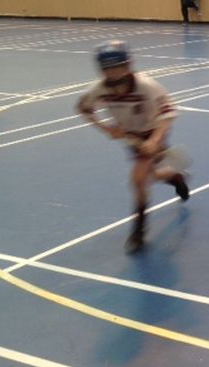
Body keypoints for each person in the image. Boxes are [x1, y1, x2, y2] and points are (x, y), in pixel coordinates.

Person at [77, 41, 189, 253]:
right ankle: (176, 177)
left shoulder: (146, 86)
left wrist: (155, 140)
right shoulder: (99, 90)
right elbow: (83, 108)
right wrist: (106, 128)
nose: (113, 72)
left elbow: (168, 113)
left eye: (117, 67)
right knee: (151, 175)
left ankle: (138, 231)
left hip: (152, 133)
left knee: (138, 180)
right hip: (130, 138)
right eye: (108, 68)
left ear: (128, 65)